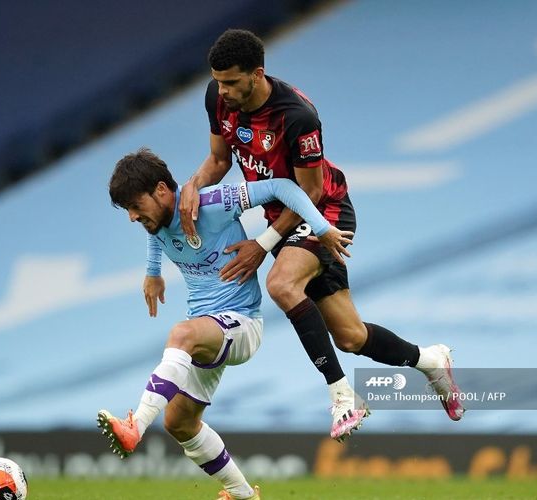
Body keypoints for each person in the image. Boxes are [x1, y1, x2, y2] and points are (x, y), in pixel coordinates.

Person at [176, 29, 465, 441]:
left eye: (231, 82)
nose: (222, 91)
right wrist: (193, 185)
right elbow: (220, 158)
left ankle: (342, 394)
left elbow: (309, 192)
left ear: (257, 75)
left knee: (281, 283)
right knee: (350, 336)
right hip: (282, 213)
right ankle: (430, 360)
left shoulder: (296, 116)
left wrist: (262, 244)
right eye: (218, 81)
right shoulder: (218, 98)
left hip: (322, 210)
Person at [100, 148, 353, 500]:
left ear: (161, 191)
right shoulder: (155, 220)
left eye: (134, 205)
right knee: (179, 423)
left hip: (241, 323)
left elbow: (284, 187)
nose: (131, 216)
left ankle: (136, 427)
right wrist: (153, 272)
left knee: (180, 334)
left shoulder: (213, 202)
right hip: (207, 330)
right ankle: (245, 495)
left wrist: (322, 228)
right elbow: (155, 232)